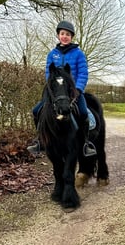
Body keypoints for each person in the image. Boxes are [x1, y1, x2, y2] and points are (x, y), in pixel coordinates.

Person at [27, 20, 96, 157]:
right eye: (62, 33)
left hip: (73, 92)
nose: (65, 36)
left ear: (71, 37)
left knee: (83, 113)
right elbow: (48, 72)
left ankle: (85, 143)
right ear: (58, 35)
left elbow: (83, 73)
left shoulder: (79, 54)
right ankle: (40, 140)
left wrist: (78, 89)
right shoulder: (52, 54)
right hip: (56, 92)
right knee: (36, 111)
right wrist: (52, 87)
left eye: (68, 34)